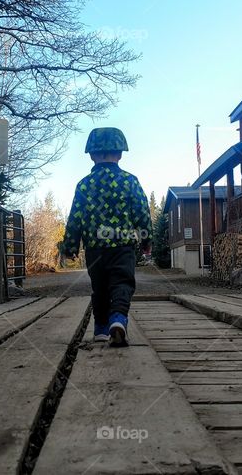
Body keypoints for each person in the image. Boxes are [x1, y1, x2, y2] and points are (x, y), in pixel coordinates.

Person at [62, 128, 151, 347]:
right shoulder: (130, 181)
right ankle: (118, 319)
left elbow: (75, 217)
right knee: (122, 283)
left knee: (99, 288)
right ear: (120, 154)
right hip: (122, 246)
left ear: (91, 155)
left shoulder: (84, 185)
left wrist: (70, 246)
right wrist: (146, 239)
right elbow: (141, 211)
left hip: (95, 248)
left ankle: (101, 329)